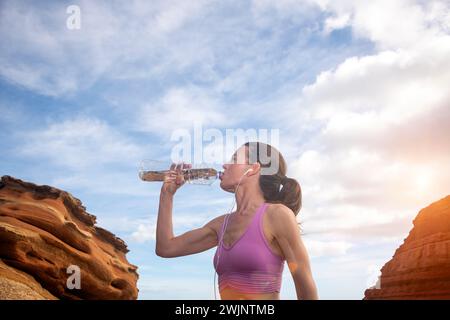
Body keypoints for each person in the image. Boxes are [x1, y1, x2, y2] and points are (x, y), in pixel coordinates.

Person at [155, 141, 318, 300]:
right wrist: (167, 195)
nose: (225, 165)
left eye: (234, 159)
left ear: (253, 168)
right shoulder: (221, 225)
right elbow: (166, 248)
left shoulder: (277, 215)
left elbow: (305, 286)